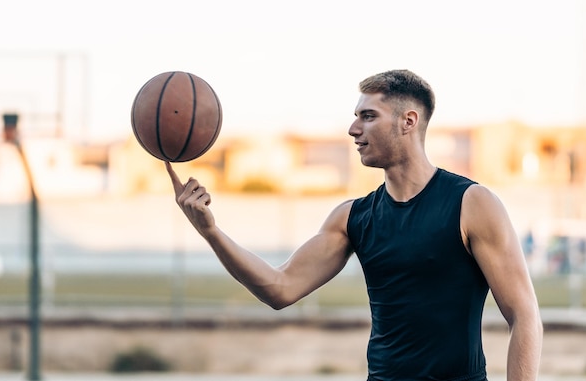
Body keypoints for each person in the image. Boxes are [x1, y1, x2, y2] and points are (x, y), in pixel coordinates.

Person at [165, 69, 543, 381]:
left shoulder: (472, 204)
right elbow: (279, 288)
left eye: (368, 116)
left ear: (408, 121)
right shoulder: (352, 217)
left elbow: (523, 315)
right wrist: (210, 231)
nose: (353, 129)